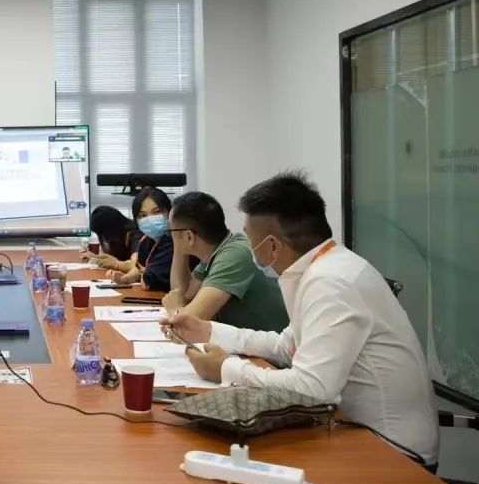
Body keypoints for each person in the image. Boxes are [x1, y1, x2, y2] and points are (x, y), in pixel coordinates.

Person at [162, 171, 439, 465]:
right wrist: (208, 331)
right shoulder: (322, 268)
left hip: (393, 451)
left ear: (272, 246)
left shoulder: (331, 282)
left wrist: (226, 368)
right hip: (348, 427)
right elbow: (287, 346)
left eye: (251, 239)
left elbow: (313, 388)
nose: (249, 248)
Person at [163, 191, 289, 331]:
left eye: (170, 231)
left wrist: (174, 308)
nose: (170, 236)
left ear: (189, 237)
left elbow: (188, 322)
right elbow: (184, 293)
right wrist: (179, 243)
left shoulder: (235, 254)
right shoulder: (216, 251)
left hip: (273, 343)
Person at [107, 186, 174, 291]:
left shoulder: (173, 241)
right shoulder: (146, 241)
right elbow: (138, 270)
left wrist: (139, 276)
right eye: (143, 215)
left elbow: (148, 282)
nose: (150, 219)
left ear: (170, 212)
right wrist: (125, 279)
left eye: (157, 212)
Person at [82, 205, 138, 271]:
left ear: (111, 228)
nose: (103, 238)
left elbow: (135, 266)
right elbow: (117, 258)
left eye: (102, 233)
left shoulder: (135, 235)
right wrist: (95, 257)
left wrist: (116, 263)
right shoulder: (119, 237)